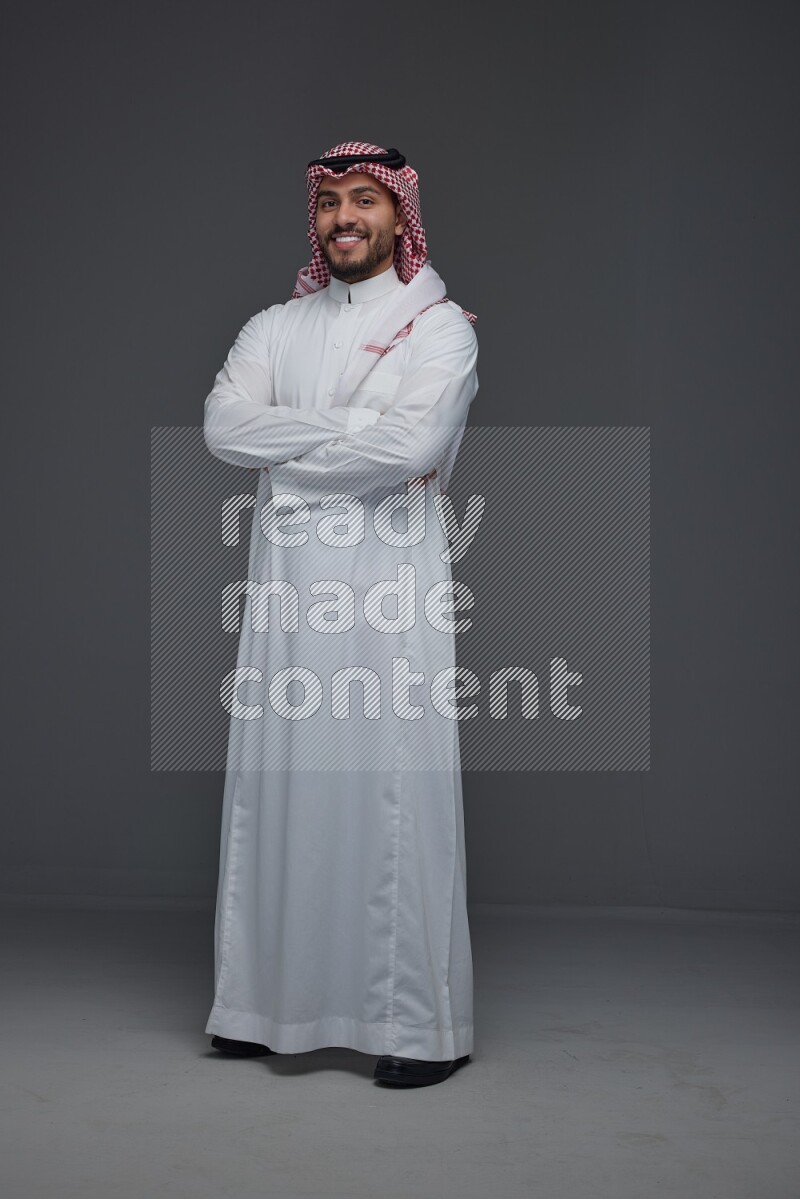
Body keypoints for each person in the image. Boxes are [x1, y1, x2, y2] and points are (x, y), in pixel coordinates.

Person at [202, 141, 479, 1088]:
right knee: (278, 784)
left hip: (386, 588)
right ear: (315, 223)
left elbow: (417, 443)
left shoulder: (440, 328)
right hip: (287, 591)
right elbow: (222, 427)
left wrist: (292, 458)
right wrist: (353, 438)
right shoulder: (274, 325)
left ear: (400, 215)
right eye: (329, 204)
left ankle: (414, 1026)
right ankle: (256, 1006)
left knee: (389, 792)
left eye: (365, 200)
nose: (346, 217)